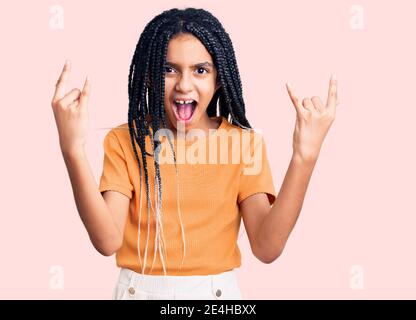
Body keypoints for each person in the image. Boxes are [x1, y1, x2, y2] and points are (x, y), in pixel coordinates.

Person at [51, 7, 339, 300]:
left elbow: (267, 248)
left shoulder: (244, 145)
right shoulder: (126, 141)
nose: (184, 85)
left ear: (218, 80)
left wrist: (305, 157)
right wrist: (72, 149)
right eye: (168, 69)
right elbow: (107, 240)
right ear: (150, 76)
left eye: (200, 70)